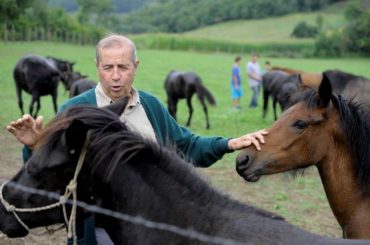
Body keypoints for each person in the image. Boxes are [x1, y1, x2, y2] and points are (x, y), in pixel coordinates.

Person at [6, 34, 267, 245]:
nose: (116, 75)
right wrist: (34, 145)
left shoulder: (151, 106)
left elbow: (187, 145)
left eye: (123, 67)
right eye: (108, 67)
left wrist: (228, 143)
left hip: (159, 228)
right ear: (97, 67)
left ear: (136, 66)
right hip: (99, 232)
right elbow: (49, 172)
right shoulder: (75, 112)